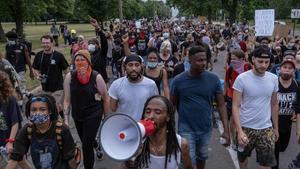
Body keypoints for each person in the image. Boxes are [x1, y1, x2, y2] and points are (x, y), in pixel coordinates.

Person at [171, 46, 230, 169]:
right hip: (185, 129)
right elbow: (172, 106)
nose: (204, 63)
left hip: (205, 128)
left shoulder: (213, 79)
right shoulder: (178, 80)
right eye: (199, 60)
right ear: (190, 60)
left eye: (205, 60)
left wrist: (226, 130)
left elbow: (221, 104)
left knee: (202, 156)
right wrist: (169, 130)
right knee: (188, 160)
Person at [232, 45, 279, 169]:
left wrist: (276, 128)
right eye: (260, 61)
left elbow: (274, 104)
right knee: (242, 159)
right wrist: (239, 131)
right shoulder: (242, 79)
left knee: (266, 164)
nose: (263, 65)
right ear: (253, 59)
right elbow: (235, 106)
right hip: (245, 128)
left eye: (267, 62)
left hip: (266, 129)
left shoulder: (274, 79)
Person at [63, 50, 110, 168]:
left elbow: (105, 97)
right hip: (78, 114)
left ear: (88, 61)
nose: (79, 62)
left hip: (94, 113)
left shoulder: (96, 77)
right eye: (77, 60)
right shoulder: (70, 77)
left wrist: (107, 117)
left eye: (82, 59)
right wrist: (66, 119)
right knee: (86, 140)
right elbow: (67, 100)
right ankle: (96, 144)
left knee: (86, 146)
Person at [6, 94, 77, 169]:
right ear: (29, 112)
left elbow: (70, 159)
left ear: (50, 111)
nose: (37, 113)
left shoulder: (62, 130)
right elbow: (15, 158)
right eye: (33, 110)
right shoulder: (27, 130)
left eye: (42, 109)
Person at [123, 96, 193, 169]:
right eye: (147, 111)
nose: (150, 116)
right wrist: (131, 160)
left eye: (157, 112)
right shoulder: (137, 143)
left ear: (168, 117)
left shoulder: (181, 144)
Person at [109, 54, 159, 121]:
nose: (134, 68)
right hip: (123, 126)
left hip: (144, 127)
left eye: (137, 65)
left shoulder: (151, 85)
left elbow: (156, 107)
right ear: (125, 67)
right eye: (130, 65)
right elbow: (112, 110)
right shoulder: (116, 85)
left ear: (141, 67)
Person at [31, 35, 69, 119]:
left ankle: (59, 125)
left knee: (54, 108)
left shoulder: (58, 56)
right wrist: (38, 75)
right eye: (43, 43)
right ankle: (63, 118)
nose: (45, 45)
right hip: (45, 88)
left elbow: (66, 71)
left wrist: (66, 85)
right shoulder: (39, 55)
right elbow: (34, 68)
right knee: (48, 107)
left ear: (52, 43)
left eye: (47, 43)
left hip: (58, 88)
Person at [0, 71, 30, 168]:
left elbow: (15, 123)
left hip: (14, 139)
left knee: (21, 162)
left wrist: (10, 142)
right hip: (1, 140)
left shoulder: (10, 99)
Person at [272, 59, 297, 169]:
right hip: (272, 122)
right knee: (275, 149)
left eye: (290, 68)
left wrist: (296, 111)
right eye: (285, 67)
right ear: (280, 69)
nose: (287, 70)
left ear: (294, 71)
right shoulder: (273, 83)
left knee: (283, 147)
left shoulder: (296, 85)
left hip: (287, 123)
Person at [223, 49, 251, 146]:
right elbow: (226, 82)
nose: (232, 61)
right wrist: (224, 95)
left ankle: (241, 134)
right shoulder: (230, 68)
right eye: (231, 59)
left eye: (234, 59)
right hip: (232, 95)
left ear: (242, 59)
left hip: (245, 97)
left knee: (243, 117)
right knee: (233, 119)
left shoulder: (248, 67)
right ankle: (233, 138)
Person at [5, 31, 34, 98]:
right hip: (11, 69)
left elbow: (28, 59)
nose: (8, 40)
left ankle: (21, 104)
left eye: (10, 39)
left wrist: (31, 71)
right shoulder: (7, 46)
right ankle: (28, 94)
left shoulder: (22, 46)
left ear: (14, 39)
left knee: (21, 86)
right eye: (8, 39)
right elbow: (6, 57)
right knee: (14, 85)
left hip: (20, 69)